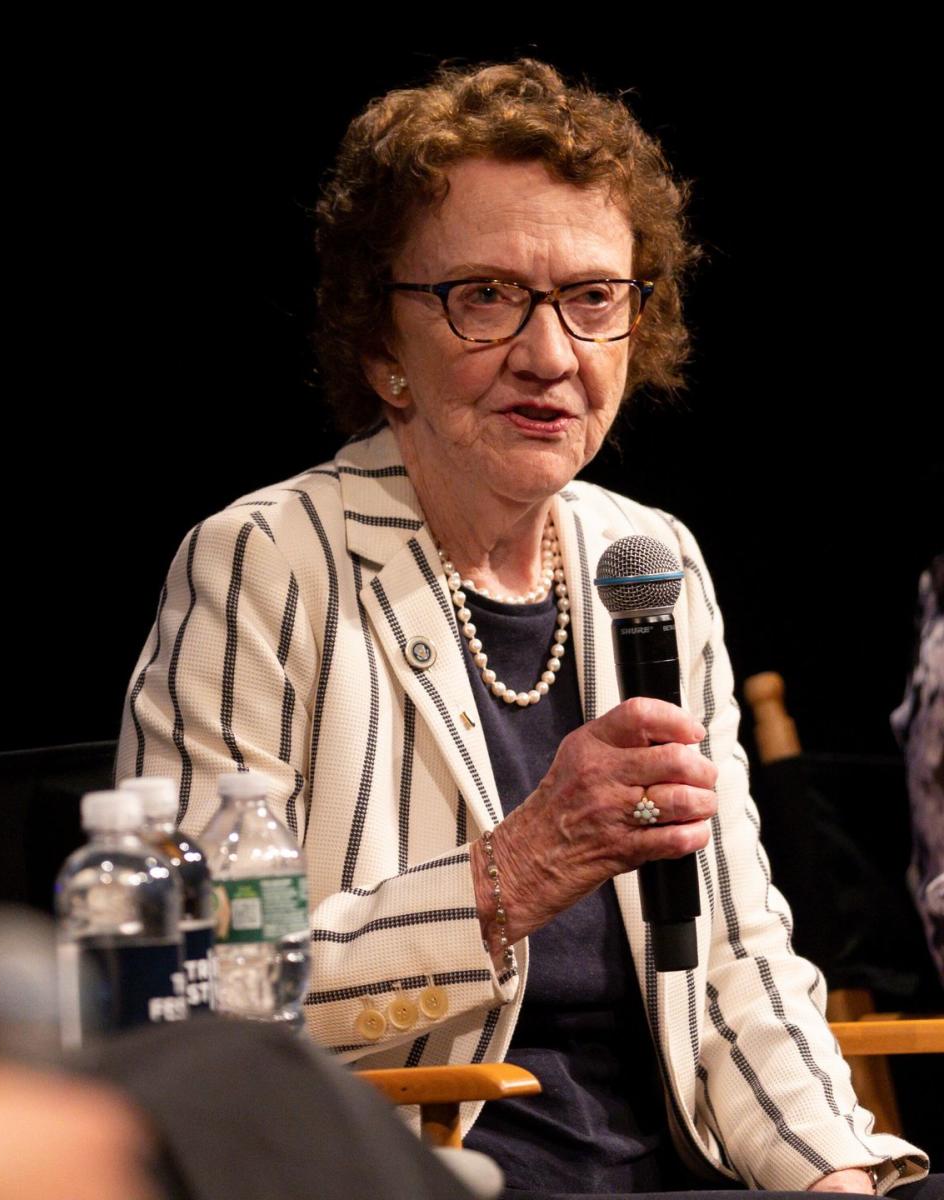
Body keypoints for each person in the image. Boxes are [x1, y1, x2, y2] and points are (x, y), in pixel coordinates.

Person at [117, 61, 932, 1196]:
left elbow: (741, 958)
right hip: (425, 1166)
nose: (551, 356)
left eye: (594, 299)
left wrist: (842, 1174)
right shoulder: (268, 563)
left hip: (686, 1174)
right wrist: (506, 876)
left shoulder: (648, 561)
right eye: (487, 297)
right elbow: (196, 983)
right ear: (380, 344)